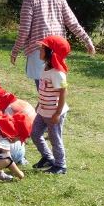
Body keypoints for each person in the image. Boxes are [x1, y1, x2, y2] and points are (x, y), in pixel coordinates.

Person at [10, 0, 95, 89]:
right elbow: (72, 23)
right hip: (58, 51)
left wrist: (15, 51)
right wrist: (87, 40)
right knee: (58, 89)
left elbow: (25, 30)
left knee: (45, 91)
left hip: (40, 51)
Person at [31, 35, 71, 175]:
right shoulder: (45, 67)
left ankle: (60, 165)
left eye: (42, 48)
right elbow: (43, 88)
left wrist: (58, 113)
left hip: (53, 112)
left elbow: (63, 91)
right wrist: (39, 104)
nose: (39, 50)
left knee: (55, 138)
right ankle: (48, 158)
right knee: (35, 133)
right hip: (43, 111)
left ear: (51, 52)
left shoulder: (57, 73)